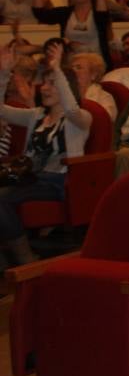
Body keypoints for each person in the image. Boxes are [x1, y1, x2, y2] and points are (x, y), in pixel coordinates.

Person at [0, 41, 91, 266]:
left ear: (65, 87)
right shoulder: (36, 115)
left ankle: (25, 258)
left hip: (58, 181)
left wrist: (58, 69)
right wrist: (3, 74)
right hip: (28, 177)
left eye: (53, 84)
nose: (45, 88)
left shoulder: (81, 119)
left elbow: (71, 109)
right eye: (45, 83)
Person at [31, 0, 115, 71]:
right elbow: (40, 14)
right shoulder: (65, 13)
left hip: (96, 65)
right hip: (70, 66)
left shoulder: (97, 14)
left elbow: (102, 17)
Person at [69, 51, 116, 120]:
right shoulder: (65, 94)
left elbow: (103, 123)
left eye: (79, 68)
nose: (73, 71)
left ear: (93, 75)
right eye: (71, 68)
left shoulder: (104, 98)